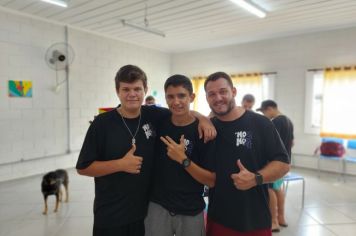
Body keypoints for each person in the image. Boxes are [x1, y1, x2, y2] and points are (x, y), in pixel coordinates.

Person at [76, 65, 216, 236]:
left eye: (137, 89)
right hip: (111, 215)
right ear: (117, 91)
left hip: (144, 212)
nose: (132, 94)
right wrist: (120, 164)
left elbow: (181, 110)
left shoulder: (153, 115)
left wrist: (204, 119)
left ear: (145, 90)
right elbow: (83, 167)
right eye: (126, 89)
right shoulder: (102, 124)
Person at [204, 72, 290, 236]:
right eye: (212, 94)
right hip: (218, 217)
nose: (218, 98)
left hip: (254, 220)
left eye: (223, 91)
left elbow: (283, 163)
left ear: (234, 92)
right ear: (206, 98)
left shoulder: (260, 123)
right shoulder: (209, 129)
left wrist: (256, 178)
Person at [145, 74, 216, 236]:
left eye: (182, 96)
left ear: (192, 97)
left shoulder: (204, 132)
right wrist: (203, 116)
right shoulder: (159, 120)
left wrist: (183, 160)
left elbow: (211, 180)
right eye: (170, 97)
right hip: (158, 206)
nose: (176, 102)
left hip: (191, 209)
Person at [257, 99, 294, 232]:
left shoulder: (276, 121)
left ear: (270, 109)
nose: (264, 115)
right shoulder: (288, 121)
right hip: (285, 161)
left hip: (275, 162)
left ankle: (273, 222)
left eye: (264, 112)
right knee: (278, 188)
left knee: (270, 189)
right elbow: (292, 142)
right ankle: (281, 218)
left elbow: (270, 143)